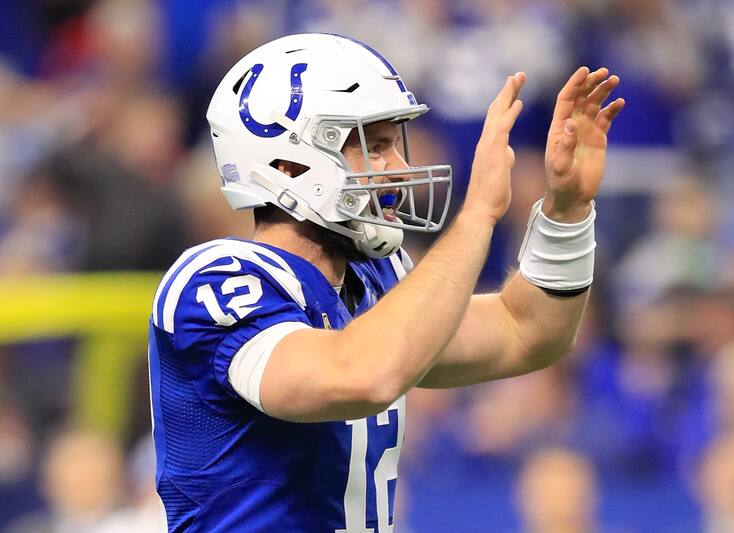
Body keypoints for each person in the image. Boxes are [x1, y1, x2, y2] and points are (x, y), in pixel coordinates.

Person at [148, 33, 624, 532]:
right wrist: (479, 214)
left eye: (395, 144)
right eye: (373, 146)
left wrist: (565, 210)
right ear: (287, 163)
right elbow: (361, 375)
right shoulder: (216, 280)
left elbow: (528, 331)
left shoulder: (375, 277)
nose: (398, 168)